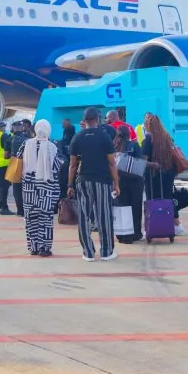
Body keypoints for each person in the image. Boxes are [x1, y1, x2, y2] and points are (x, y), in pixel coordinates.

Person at [68, 107, 121, 261]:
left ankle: (88, 253)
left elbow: (72, 165)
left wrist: (70, 185)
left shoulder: (77, 137)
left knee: (84, 217)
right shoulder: (104, 137)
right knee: (104, 215)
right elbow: (112, 163)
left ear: (85, 120)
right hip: (102, 181)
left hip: (82, 181)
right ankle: (106, 252)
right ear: (97, 119)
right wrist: (116, 183)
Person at [19, 120, 63, 257]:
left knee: (31, 218)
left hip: (29, 187)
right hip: (46, 188)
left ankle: (34, 247)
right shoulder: (53, 146)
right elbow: (58, 167)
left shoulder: (26, 144)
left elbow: (18, 160)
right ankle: (45, 248)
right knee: (46, 219)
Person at [142, 112, 185, 235]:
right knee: (167, 198)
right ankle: (176, 225)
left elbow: (144, 160)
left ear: (148, 126)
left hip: (154, 175)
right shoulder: (167, 137)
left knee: (153, 200)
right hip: (168, 172)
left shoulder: (148, 139)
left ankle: (152, 226)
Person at [113, 124, 144, 244]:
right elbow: (140, 162)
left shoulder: (115, 147)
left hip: (121, 181)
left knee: (122, 208)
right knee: (135, 208)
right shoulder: (134, 145)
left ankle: (123, 234)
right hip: (135, 182)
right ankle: (136, 233)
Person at [10, 121, 28, 215]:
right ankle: (26, 209)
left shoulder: (9, 138)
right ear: (21, 127)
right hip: (25, 163)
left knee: (16, 189)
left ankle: (19, 211)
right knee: (25, 188)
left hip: (14, 163)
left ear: (13, 128)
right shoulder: (26, 138)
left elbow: (5, 155)